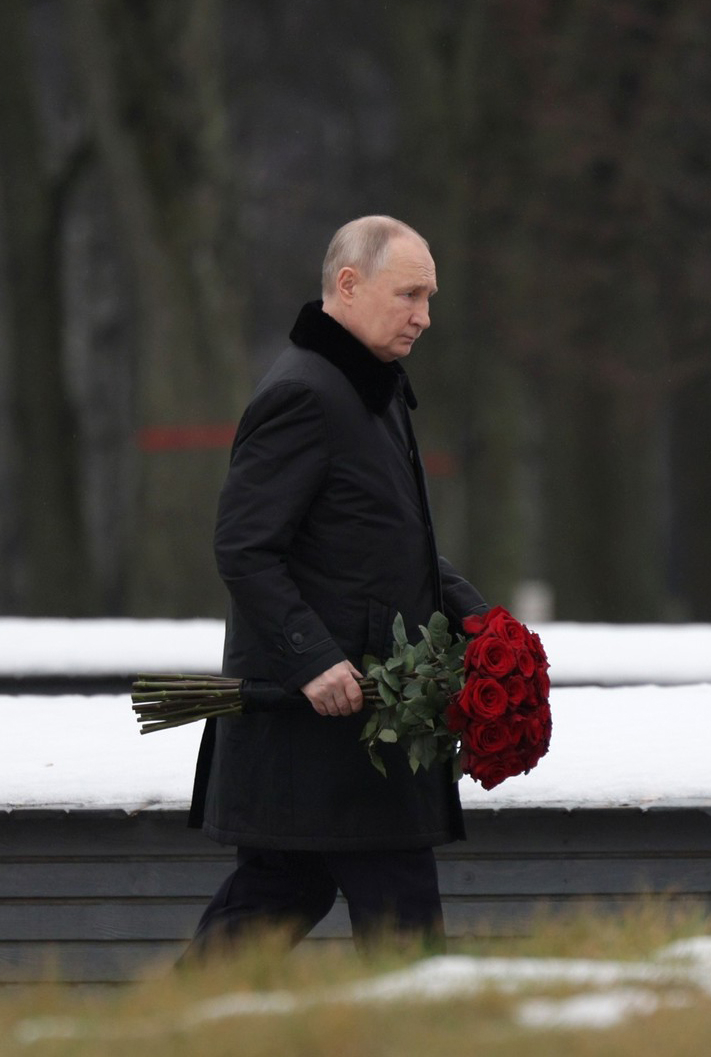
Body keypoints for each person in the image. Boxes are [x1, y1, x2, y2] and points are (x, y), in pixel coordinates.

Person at [182, 216, 489, 960]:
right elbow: (245, 547)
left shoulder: (368, 390)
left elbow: (391, 550)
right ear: (348, 285)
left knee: (279, 896)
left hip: (345, 743)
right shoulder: (307, 394)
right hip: (327, 733)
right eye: (409, 294)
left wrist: (486, 626)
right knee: (405, 936)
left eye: (429, 297)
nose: (424, 315)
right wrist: (312, 659)